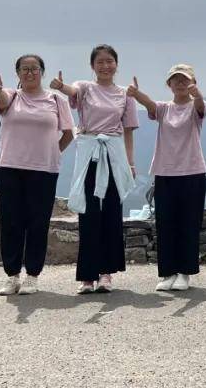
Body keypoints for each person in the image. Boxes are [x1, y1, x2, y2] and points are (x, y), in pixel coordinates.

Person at [52, 44, 139, 294]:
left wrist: (130, 163)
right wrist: (61, 87)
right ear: (92, 66)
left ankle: (106, 273)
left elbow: (129, 132)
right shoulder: (85, 87)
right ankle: (87, 276)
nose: (105, 66)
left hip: (114, 151)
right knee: (88, 211)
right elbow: (73, 91)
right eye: (100, 62)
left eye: (110, 61)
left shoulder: (125, 94)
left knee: (112, 209)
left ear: (116, 64)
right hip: (89, 149)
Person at [0, 55, 75, 296]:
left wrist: (52, 152)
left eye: (34, 69)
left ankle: (32, 276)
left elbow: (68, 133)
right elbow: (2, 102)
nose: (30, 73)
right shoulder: (11, 95)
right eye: (24, 69)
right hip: (8, 168)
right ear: (17, 73)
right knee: (11, 222)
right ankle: (12, 275)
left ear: (42, 72)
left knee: (38, 222)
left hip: (44, 170)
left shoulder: (56, 100)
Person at [128, 65, 206, 292]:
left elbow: (201, 107)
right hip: (165, 173)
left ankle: (185, 272)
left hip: (192, 172)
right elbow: (150, 105)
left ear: (193, 82)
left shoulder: (196, 106)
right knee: (165, 224)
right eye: (176, 79)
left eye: (185, 79)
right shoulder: (164, 109)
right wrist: (136, 93)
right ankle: (168, 272)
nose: (180, 83)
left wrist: (198, 94)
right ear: (169, 84)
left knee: (189, 224)